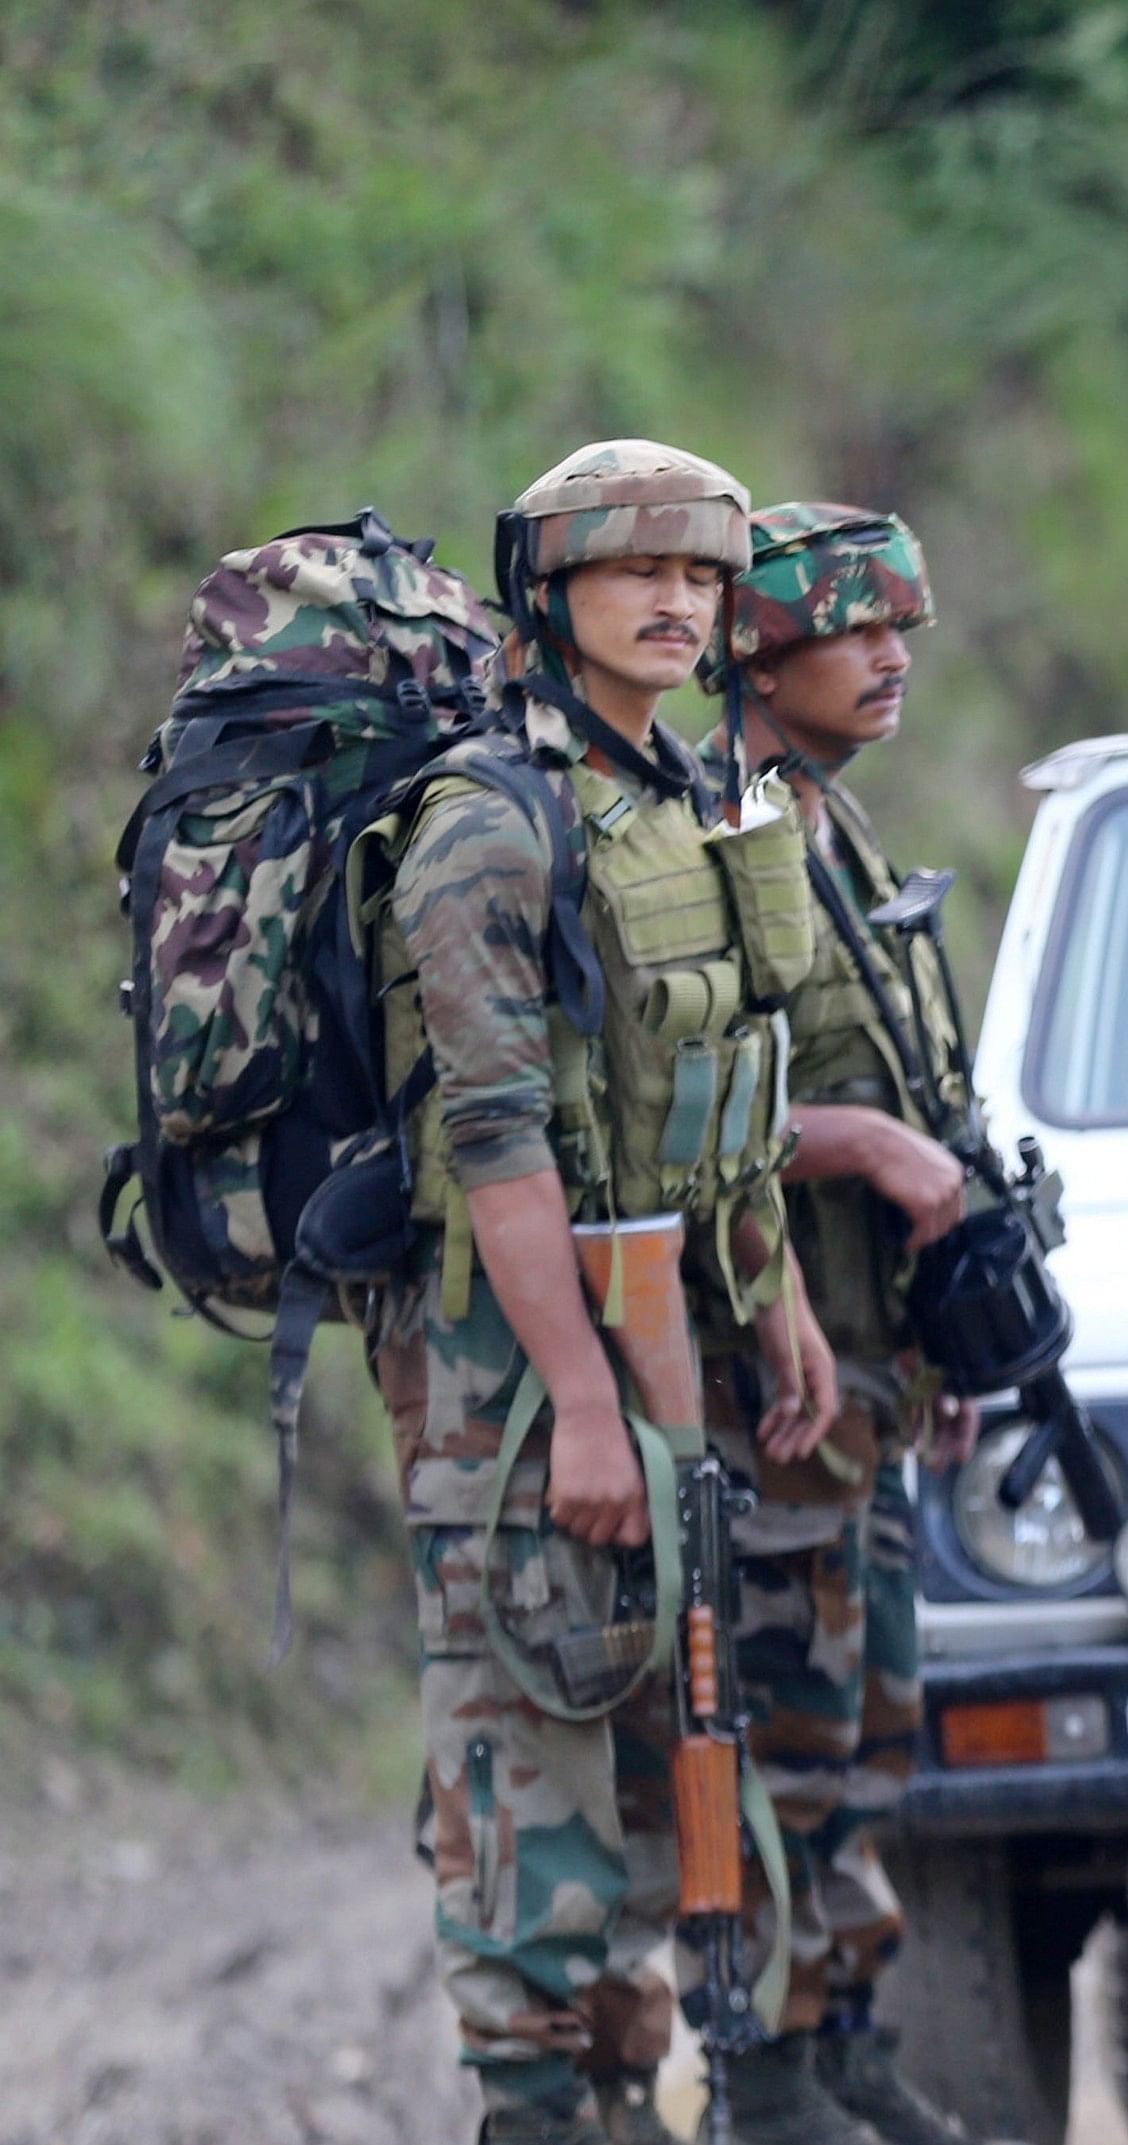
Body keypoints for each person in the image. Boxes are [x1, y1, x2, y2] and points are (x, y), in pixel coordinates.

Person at [377, 439, 840, 2144]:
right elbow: (498, 1144)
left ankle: (617, 2093)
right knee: (530, 1749)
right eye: (633, 570)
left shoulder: (677, 795)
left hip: (665, 1338)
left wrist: (769, 1289)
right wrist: (575, 1398)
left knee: (660, 1748)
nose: (673, 602)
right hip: (515, 1376)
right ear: (547, 589)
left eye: (704, 577)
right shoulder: (488, 825)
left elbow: (715, 1093)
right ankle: (530, 2103)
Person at [708, 501, 1002, 2143]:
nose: (890, 656)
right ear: (761, 650)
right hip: (774, 1358)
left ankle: (841, 2033)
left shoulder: (835, 825)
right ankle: (763, 2065)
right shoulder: (722, 834)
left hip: (870, 1354)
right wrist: (869, 1148)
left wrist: (939, 1334)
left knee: (874, 1713)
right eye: (852, 630)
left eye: (902, 627)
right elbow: (694, 1106)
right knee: (787, 1724)